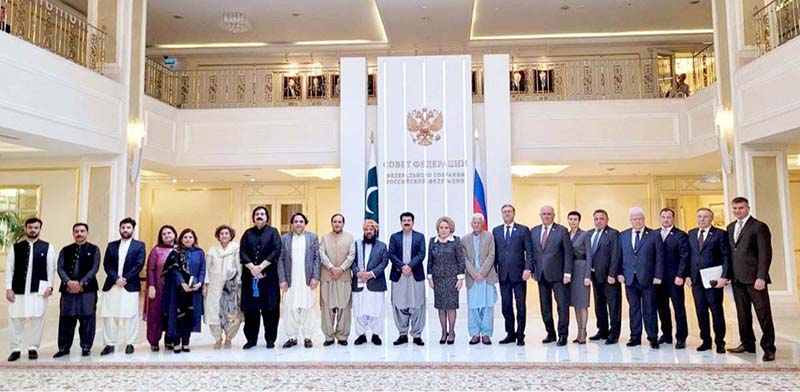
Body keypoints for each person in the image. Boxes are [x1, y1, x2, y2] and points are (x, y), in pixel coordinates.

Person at [726, 197, 776, 362]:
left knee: (763, 313)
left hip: (755, 279)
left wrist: (761, 276)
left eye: (740, 208)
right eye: (734, 208)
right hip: (737, 279)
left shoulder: (759, 227)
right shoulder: (731, 227)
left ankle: (769, 347)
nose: (737, 211)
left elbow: (765, 253)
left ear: (748, 208)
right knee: (742, 313)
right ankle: (747, 343)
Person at [5, 218, 56, 362]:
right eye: (30, 227)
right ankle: (15, 349)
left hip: (39, 290)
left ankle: (33, 348)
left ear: (40, 229)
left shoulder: (47, 247)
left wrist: (50, 286)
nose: (33, 230)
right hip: (18, 289)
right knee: (15, 319)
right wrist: (8, 288)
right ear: (26, 229)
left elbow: (51, 268)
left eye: (36, 227)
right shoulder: (16, 247)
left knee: (37, 319)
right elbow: (10, 268)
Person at [99, 218, 146, 356]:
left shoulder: (139, 246)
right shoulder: (111, 245)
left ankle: (130, 343)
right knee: (109, 314)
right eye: (123, 227)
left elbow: (139, 264)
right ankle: (110, 343)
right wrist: (116, 278)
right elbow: (106, 264)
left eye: (128, 228)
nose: (125, 230)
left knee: (130, 314)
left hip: (129, 284)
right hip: (112, 284)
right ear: (119, 229)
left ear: (133, 230)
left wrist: (125, 278)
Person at [618, 207, 663, 349]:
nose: (637, 221)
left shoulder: (654, 235)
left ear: (644, 219)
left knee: (650, 308)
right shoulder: (623, 235)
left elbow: (659, 258)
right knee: (634, 309)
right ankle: (635, 337)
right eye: (634, 219)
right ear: (630, 220)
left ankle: (652, 337)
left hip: (648, 279)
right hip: (630, 279)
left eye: (640, 218)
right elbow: (619, 256)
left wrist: (658, 275)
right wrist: (619, 273)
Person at [54, 223, 100, 358]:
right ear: (73, 233)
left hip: (87, 289)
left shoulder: (94, 249)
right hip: (67, 289)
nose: (79, 233)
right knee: (66, 318)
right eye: (76, 231)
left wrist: (81, 283)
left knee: (87, 318)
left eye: (82, 231)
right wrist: (68, 282)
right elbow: (60, 268)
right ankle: (63, 348)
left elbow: (95, 268)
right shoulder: (65, 250)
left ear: (87, 232)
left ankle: (86, 347)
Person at [687, 208, 730, 354]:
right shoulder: (691, 233)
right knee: (700, 311)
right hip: (696, 279)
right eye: (699, 216)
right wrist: (687, 275)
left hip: (713, 279)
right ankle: (705, 340)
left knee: (716, 310)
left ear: (711, 219)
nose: (702, 219)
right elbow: (688, 256)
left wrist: (724, 276)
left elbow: (725, 257)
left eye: (705, 217)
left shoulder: (720, 234)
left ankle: (720, 342)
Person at [239, 206, 282, 349]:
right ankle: (251, 340)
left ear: (267, 217)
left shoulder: (273, 232)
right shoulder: (247, 233)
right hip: (249, 277)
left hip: (268, 278)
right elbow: (242, 252)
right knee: (251, 310)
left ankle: (270, 339)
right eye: (257, 214)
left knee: (270, 309)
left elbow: (276, 251)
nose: (259, 216)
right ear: (253, 217)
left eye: (262, 214)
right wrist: (252, 268)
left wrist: (261, 267)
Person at [531, 205, 573, 346]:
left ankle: (563, 335)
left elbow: (568, 253)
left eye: (549, 214)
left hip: (559, 276)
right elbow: (532, 253)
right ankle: (550, 333)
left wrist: (567, 272)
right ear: (540, 215)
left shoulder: (562, 231)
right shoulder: (534, 231)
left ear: (554, 215)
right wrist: (532, 270)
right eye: (544, 214)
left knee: (562, 306)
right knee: (545, 306)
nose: (546, 216)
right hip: (541, 275)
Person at [278, 212, 321, 349]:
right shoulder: (284, 238)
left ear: (305, 223)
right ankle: (292, 337)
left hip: (307, 279)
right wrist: (282, 279)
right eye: (296, 221)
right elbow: (280, 260)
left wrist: (315, 277)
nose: (298, 224)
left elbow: (316, 258)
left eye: (301, 221)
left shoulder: (312, 237)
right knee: (290, 307)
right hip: (290, 280)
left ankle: (308, 337)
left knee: (308, 306)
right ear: (292, 223)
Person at [492, 204, 532, 346]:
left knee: (520, 305)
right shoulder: (496, 231)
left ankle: (520, 334)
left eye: (509, 211)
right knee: (506, 305)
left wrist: (528, 269)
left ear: (514, 213)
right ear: (502, 214)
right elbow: (494, 253)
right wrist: (494, 272)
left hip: (520, 274)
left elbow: (529, 252)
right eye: (504, 212)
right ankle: (510, 333)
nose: (507, 214)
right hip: (503, 275)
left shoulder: (523, 230)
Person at [161, 228, 205, 353]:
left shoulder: (199, 252)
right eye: (185, 237)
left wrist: (200, 283)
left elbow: (202, 268)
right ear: (181, 239)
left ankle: (186, 342)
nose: (188, 239)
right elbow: (173, 270)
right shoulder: (175, 252)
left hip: (194, 290)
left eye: (190, 237)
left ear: (194, 239)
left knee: (190, 316)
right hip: (177, 290)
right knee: (176, 316)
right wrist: (182, 283)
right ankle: (176, 342)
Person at [388, 212, 427, 346]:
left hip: (415, 275)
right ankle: (402, 334)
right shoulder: (394, 237)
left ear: (413, 222)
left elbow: (422, 254)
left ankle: (417, 335)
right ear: (401, 222)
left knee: (417, 304)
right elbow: (391, 254)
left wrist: (410, 266)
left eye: (409, 220)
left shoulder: (420, 237)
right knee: (399, 304)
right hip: (399, 275)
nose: (406, 222)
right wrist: (402, 267)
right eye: (404, 220)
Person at [426, 216, 466, 345]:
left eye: (446, 227)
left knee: (451, 306)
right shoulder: (433, 241)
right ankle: (443, 332)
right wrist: (430, 276)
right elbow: (430, 261)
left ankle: (452, 332)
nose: (443, 230)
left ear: (451, 229)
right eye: (441, 227)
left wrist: (460, 278)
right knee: (440, 307)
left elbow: (461, 260)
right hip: (437, 279)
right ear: (438, 229)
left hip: (452, 278)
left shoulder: (456, 241)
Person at [655, 208, 690, 349]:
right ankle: (666, 335)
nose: (666, 219)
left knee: (678, 308)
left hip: (675, 279)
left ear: (673, 218)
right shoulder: (655, 234)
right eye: (663, 217)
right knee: (662, 308)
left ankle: (681, 337)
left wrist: (680, 275)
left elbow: (684, 257)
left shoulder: (680, 235)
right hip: (659, 280)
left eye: (669, 217)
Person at [319, 213, 355, 346]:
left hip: (344, 278)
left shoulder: (349, 238)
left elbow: (351, 255)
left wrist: (341, 269)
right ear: (331, 223)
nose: (337, 224)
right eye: (335, 221)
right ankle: (328, 337)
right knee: (327, 307)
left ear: (343, 223)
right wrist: (332, 268)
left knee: (344, 307)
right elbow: (322, 254)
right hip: (327, 277)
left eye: (339, 221)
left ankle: (342, 336)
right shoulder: (325, 238)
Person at [587, 209, 622, 344]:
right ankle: (602, 330)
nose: (599, 221)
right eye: (596, 219)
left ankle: (614, 334)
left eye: (601, 218)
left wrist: (612, 274)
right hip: (595, 275)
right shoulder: (590, 233)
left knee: (613, 306)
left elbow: (615, 255)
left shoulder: (613, 233)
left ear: (607, 220)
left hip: (609, 277)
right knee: (599, 305)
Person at [461, 213, 497, 345]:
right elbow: (463, 258)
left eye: (479, 223)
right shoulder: (464, 239)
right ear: (471, 224)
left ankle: (486, 334)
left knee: (488, 306)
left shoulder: (489, 236)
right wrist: (474, 273)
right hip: (472, 278)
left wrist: (482, 273)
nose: (476, 225)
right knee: (473, 307)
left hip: (486, 277)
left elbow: (491, 255)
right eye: (474, 222)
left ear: (482, 224)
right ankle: (475, 333)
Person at [352, 219, 389, 346]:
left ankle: (376, 334)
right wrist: (358, 273)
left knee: (377, 310)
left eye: (371, 229)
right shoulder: (356, 245)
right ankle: (361, 335)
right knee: (359, 309)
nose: (368, 232)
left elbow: (384, 262)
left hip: (376, 282)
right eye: (366, 229)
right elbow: (353, 261)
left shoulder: (382, 246)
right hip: (359, 282)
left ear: (375, 231)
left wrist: (371, 274)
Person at [205, 225, 241, 349]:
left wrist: (239, 283)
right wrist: (206, 284)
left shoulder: (236, 248)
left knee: (231, 312)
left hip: (231, 287)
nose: (224, 235)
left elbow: (239, 266)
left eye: (227, 233)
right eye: (222, 234)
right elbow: (207, 269)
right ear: (218, 236)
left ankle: (229, 338)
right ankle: (217, 338)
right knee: (214, 311)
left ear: (231, 235)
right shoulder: (212, 250)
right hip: (214, 286)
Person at [144, 225, 177, 352]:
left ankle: (169, 340)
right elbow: (150, 270)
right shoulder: (156, 250)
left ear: (174, 234)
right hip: (158, 288)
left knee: (172, 314)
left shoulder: (179, 250)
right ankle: (154, 341)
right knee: (155, 314)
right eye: (164, 234)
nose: (167, 235)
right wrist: (151, 286)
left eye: (169, 233)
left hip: (174, 290)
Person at [566, 211, 592, 345]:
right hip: (571, 270)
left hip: (582, 269)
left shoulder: (585, 234)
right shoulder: (566, 234)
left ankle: (583, 331)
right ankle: (578, 331)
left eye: (575, 219)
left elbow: (589, 256)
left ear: (579, 220)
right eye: (570, 219)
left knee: (583, 303)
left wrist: (588, 275)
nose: (573, 221)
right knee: (575, 303)